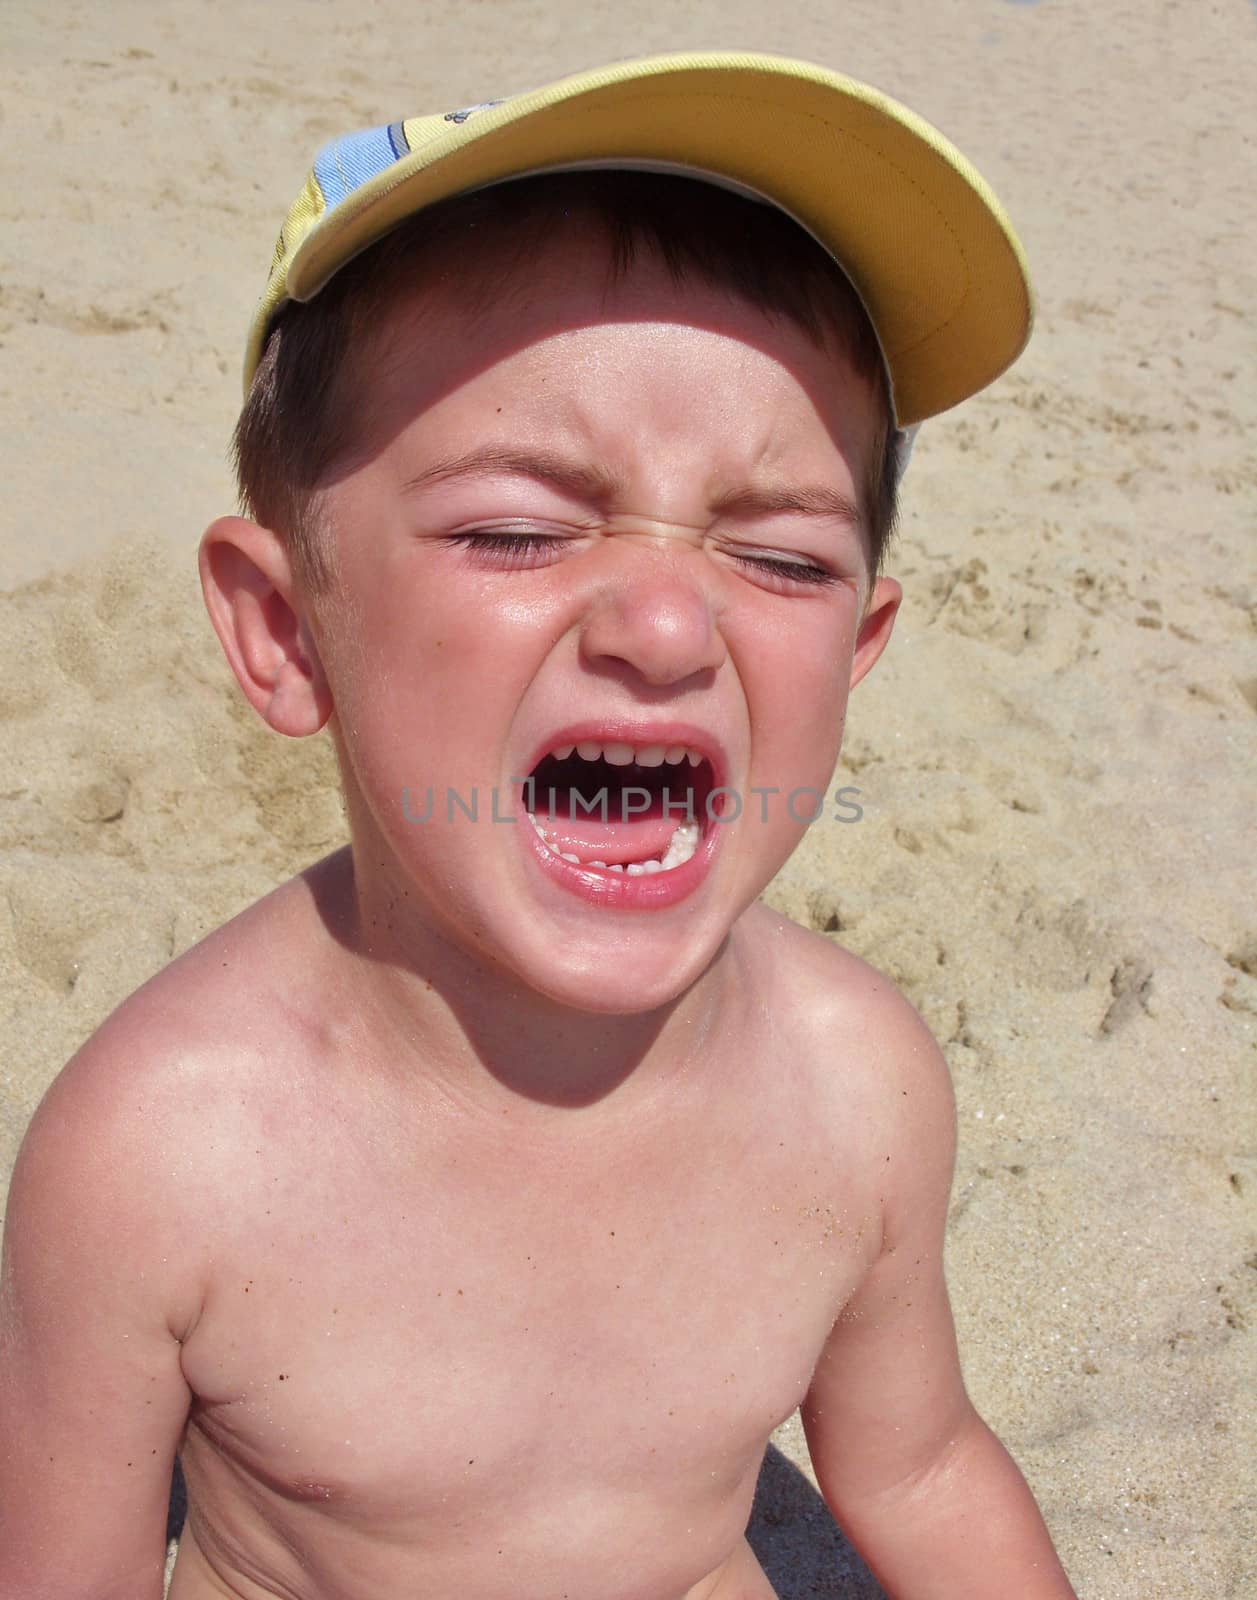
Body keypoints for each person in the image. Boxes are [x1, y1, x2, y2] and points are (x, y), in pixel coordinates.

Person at [0, 52, 1079, 1600]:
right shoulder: (162, 1154)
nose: (662, 619)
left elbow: (913, 1466)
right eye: (514, 528)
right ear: (286, 632)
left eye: (777, 558)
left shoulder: (856, 1085)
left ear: (853, 654)